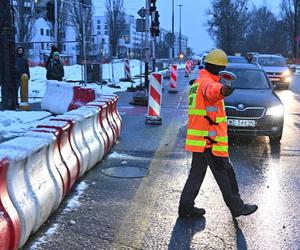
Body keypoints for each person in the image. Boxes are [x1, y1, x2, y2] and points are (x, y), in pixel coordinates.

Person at [178, 49, 258, 218]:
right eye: (221, 69)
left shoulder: (198, 82)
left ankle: (185, 207)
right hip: (210, 141)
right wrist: (224, 90)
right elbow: (213, 91)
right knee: (226, 174)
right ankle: (237, 207)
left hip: (201, 140)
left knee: (196, 175)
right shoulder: (207, 83)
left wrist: (221, 87)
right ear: (217, 68)